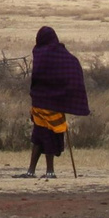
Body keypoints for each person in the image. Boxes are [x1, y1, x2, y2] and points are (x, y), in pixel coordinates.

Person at [25, 25, 92, 179]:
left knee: (38, 136)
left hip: (39, 100)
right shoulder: (62, 55)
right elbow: (71, 67)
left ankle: (32, 170)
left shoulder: (39, 52)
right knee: (48, 135)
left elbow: (37, 76)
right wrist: (67, 95)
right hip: (55, 103)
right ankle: (49, 171)